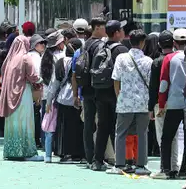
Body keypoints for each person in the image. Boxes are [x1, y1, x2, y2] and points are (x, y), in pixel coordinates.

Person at [107, 30, 152, 175]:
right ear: (142, 43)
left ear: (129, 41)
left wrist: (119, 96)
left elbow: (116, 79)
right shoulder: (148, 61)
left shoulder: (121, 58)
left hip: (125, 102)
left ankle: (120, 164)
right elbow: (151, 84)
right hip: (143, 103)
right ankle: (141, 165)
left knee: (120, 133)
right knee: (142, 133)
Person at [151, 28, 186, 179]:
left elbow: (163, 83)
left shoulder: (169, 58)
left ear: (174, 43)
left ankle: (166, 170)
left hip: (173, 103)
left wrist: (161, 105)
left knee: (166, 137)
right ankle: (183, 170)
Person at [0, 36, 44, 161]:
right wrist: (43, 81)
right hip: (23, 94)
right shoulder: (25, 57)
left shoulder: (9, 59)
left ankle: (11, 151)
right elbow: (34, 76)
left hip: (9, 97)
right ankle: (26, 152)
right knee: (25, 122)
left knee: (13, 124)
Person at [91, 20, 129, 171]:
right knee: (117, 128)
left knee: (102, 127)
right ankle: (120, 160)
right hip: (115, 93)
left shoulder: (100, 47)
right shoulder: (122, 50)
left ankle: (97, 160)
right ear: (117, 33)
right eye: (122, 29)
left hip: (100, 91)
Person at [72, 17, 107, 168]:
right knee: (102, 124)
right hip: (98, 89)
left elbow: (75, 73)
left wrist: (75, 94)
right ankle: (99, 158)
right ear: (97, 28)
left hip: (85, 89)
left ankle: (89, 156)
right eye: (103, 28)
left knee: (88, 123)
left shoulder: (83, 46)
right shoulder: (100, 45)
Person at [148, 30, 180, 174]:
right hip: (175, 101)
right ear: (173, 43)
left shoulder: (156, 62)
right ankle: (174, 165)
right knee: (174, 136)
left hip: (160, 103)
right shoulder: (178, 59)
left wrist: (150, 107)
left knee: (163, 135)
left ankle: (165, 166)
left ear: (159, 44)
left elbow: (154, 87)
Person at [48, 38, 84, 163]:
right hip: (80, 96)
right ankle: (80, 153)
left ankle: (65, 153)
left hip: (64, 97)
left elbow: (54, 83)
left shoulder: (61, 62)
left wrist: (49, 102)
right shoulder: (82, 60)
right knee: (79, 126)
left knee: (64, 127)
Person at [27, 34, 46, 147]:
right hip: (36, 88)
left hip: (29, 88)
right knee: (36, 114)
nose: (43, 45)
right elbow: (38, 74)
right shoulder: (36, 57)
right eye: (40, 43)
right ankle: (36, 139)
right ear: (34, 45)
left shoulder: (30, 55)